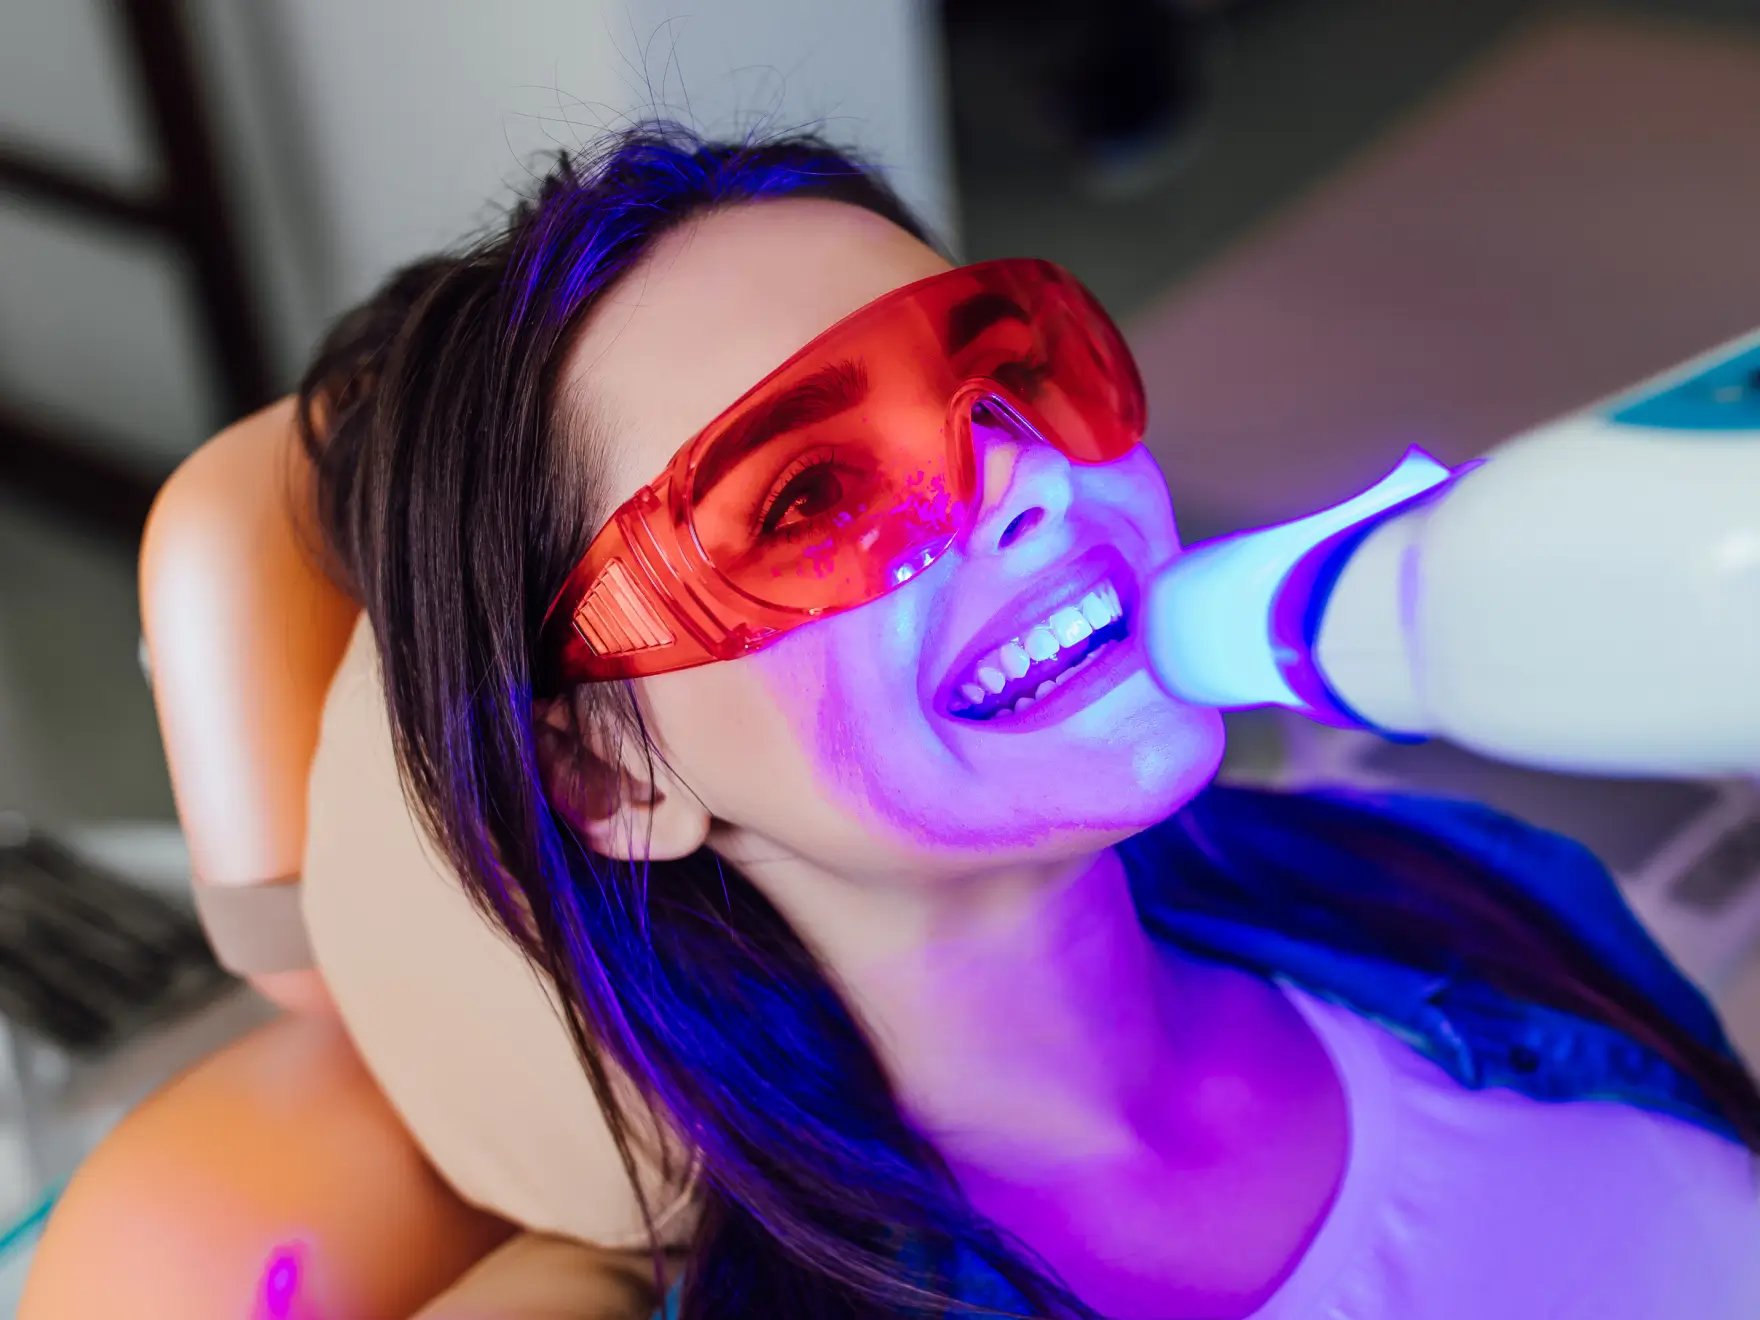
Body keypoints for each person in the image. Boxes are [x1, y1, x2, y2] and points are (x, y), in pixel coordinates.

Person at [293, 123, 1760, 1319]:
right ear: (610, 769)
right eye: (810, 498)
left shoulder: (1471, 877)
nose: (1029, 483)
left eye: (1009, 376)